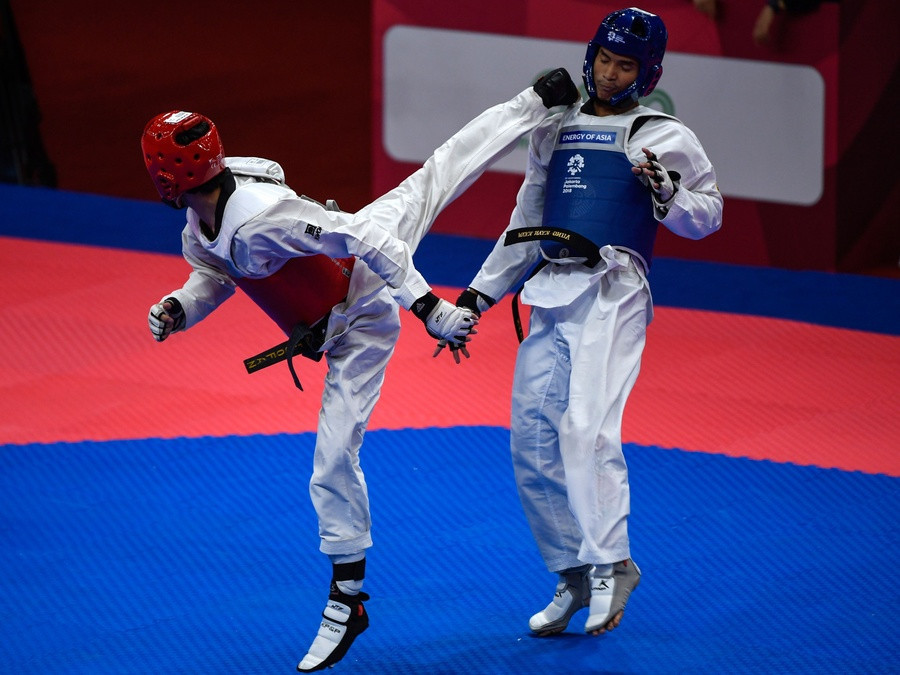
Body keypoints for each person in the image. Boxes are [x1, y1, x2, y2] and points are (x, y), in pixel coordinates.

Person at [141, 68, 579, 672]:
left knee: (330, 462)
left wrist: (429, 309)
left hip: (363, 319)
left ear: (168, 177)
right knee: (438, 172)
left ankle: (346, 602)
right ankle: (537, 99)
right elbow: (216, 273)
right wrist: (180, 307)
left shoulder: (263, 218)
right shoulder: (203, 222)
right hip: (338, 302)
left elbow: (364, 237)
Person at [435, 7, 723, 638]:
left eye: (625, 65)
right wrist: (477, 297)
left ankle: (613, 562)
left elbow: (708, 215)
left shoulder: (663, 134)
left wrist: (669, 194)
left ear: (647, 74)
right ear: (589, 57)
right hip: (550, 289)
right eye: (604, 60)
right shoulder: (555, 128)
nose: (610, 73)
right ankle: (571, 570)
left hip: (614, 290)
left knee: (586, 429)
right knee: (532, 441)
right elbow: (526, 220)